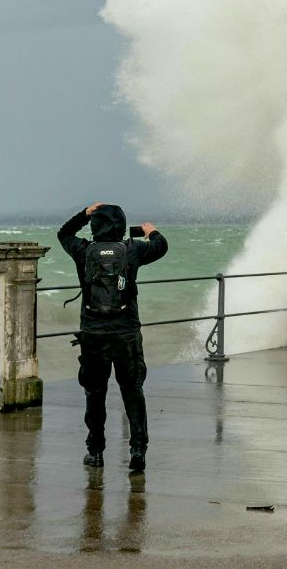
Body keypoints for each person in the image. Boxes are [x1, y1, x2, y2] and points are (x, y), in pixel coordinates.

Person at [58, 202, 168, 471]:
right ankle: (138, 451)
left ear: (95, 225)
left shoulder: (83, 251)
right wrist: (151, 232)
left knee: (95, 393)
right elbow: (161, 246)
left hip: (94, 334)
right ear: (121, 225)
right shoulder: (132, 250)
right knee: (132, 391)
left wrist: (84, 214)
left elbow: (63, 234)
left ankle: (95, 452)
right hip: (126, 333)